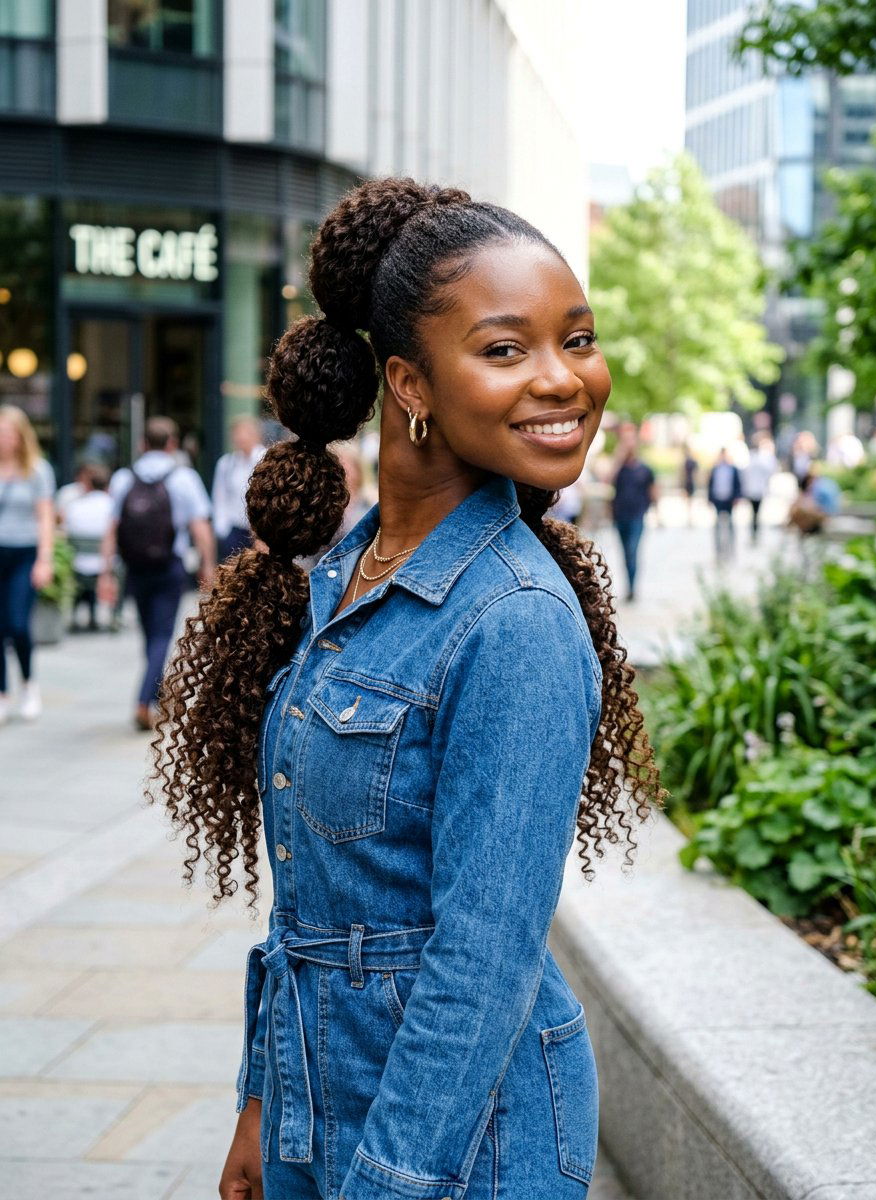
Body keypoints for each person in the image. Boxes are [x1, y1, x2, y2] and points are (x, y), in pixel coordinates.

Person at [145, 178, 665, 1200]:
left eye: (579, 339)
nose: (564, 380)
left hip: (461, 1146)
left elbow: (482, 961)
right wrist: (262, 1099)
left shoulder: (512, 614)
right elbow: (308, 902)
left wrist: (386, 1183)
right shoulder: (338, 577)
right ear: (408, 383)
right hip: (314, 1100)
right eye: (507, 348)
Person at [99, 416, 215, 731]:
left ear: (142, 444)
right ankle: (143, 701)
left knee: (151, 635)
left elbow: (111, 529)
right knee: (161, 635)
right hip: (169, 565)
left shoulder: (124, 478)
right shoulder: (184, 477)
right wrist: (208, 565)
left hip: (135, 567)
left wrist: (105, 572)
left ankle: (156, 693)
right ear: (172, 444)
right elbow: (200, 527)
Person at [0, 405, 56, 724]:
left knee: (18, 624)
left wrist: (44, 559)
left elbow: (45, 516)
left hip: (24, 553)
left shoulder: (36, 470)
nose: (3, 439)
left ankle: (28, 685)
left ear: (21, 437)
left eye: (8, 433)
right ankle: (2, 694)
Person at [62, 463, 116, 632]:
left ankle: (76, 613)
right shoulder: (113, 507)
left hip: (77, 563)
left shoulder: (75, 506)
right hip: (106, 564)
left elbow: (66, 532)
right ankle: (115, 614)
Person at [211, 415, 267, 562]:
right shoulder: (227, 463)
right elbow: (220, 497)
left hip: (261, 532)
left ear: (256, 435)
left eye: (245, 433)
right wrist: (222, 529)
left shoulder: (266, 459)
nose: (240, 438)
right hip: (234, 532)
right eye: (236, 434)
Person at [611, 432, 657, 602]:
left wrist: (657, 515)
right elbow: (607, 481)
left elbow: (653, 492)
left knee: (632, 552)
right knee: (624, 553)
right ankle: (628, 585)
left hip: (637, 516)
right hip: (619, 516)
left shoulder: (645, 469)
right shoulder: (619, 468)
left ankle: (632, 588)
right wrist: (618, 458)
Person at [707, 446, 742, 563]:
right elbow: (710, 484)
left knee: (731, 524)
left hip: (729, 499)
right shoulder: (715, 469)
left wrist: (737, 497)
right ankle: (718, 549)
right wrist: (710, 498)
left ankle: (731, 548)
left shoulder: (733, 469)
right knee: (717, 524)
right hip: (718, 499)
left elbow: (737, 484)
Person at [741, 434, 777, 543]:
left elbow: (770, 471)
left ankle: (756, 533)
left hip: (759, 489)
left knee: (757, 513)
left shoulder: (765, 457)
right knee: (753, 513)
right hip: (751, 490)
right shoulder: (751, 457)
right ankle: (753, 533)